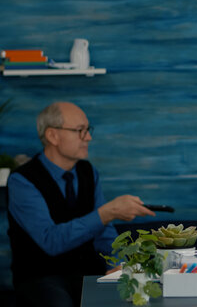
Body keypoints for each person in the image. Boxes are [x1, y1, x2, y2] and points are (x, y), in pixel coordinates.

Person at [7, 102, 156, 307]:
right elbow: (51, 241)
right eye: (80, 131)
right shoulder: (22, 180)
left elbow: (104, 233)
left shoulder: (88, 172)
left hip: (87, 272)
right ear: (52, 136)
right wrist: (106, 213)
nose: (88, 137)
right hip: (41, 276)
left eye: (87, 130)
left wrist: (117, 263)